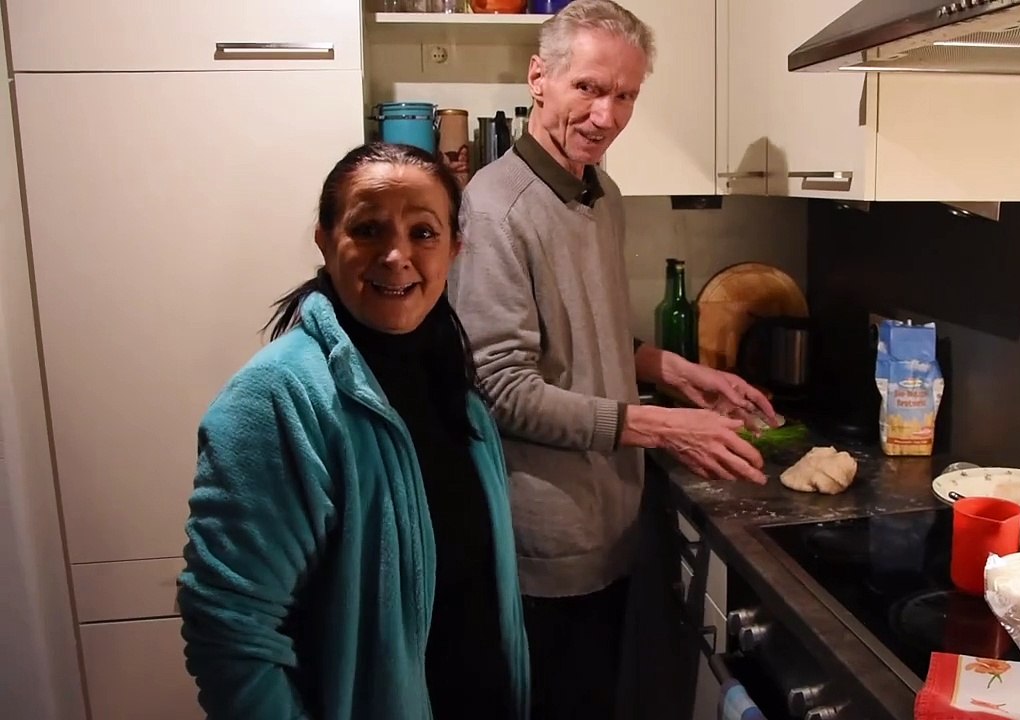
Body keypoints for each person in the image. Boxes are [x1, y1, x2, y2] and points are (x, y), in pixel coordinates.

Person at [447, 1, 778, 717]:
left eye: (625, 95)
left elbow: (583, 335)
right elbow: (502, 387)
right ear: (541, 78)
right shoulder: (495, 209)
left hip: (611, 525)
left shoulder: (600, 194)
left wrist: (677, 372)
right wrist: (663, 428)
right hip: (546, 545)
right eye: (589, 89)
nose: (606, 115)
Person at [177, 142, 530, 720]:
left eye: (424, 233)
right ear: (324, 238)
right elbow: (229, 631)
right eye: (367, 229)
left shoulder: (449, 382)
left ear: (455, 248)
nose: (397, 256)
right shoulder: (277, 398)